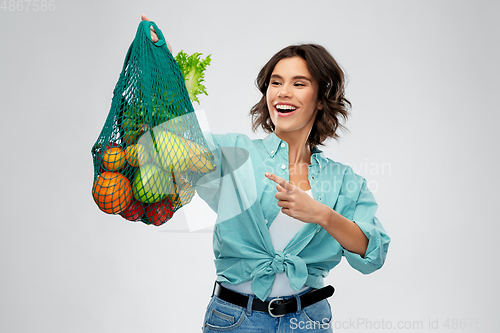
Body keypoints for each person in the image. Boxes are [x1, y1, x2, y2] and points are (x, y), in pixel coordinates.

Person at [141, 14, 390, 333]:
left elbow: (374, 251)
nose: (283, 92)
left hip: (309, 321)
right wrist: (166, 68)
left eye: (299, 83)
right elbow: (181, 142)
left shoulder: (345, 182)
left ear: (320, 98)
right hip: (236, 320)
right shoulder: (234, 153)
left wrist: (322, 215)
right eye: (276, 82)